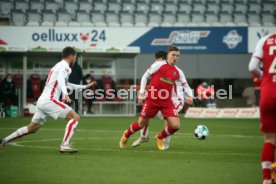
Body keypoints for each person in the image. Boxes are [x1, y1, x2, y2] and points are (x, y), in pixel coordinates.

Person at [0, 47, 96, 153]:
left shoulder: (58, 66)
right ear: (71, 56)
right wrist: (64, 93)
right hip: (50, 100)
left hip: (42, 101)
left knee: (32, 128)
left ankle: (3, 141)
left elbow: (66, 84)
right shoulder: (66, 67)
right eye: (75, 57)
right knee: (75, 117)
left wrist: (85, 87)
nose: (75, 59)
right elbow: (60, 79)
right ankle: (65, 145)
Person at [119, 45, 193, 151]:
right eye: (173, 55)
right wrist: (142, 93)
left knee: (176, 126)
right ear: (168, 55)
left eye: (177, 56)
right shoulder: (158, 65)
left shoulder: (178, 72)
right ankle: (126, 135)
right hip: (152, 100)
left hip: (167, 102)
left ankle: (160, 137)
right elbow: (145, 76)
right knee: (141, 124)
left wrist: (190, 96)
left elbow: (186, 86)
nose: (175, 57)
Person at [248, 33, 276, 184]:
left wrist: (265, 77)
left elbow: (252, 67)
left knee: (270, 139)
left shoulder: (265, 40)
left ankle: (267, 178)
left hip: (268, 92)